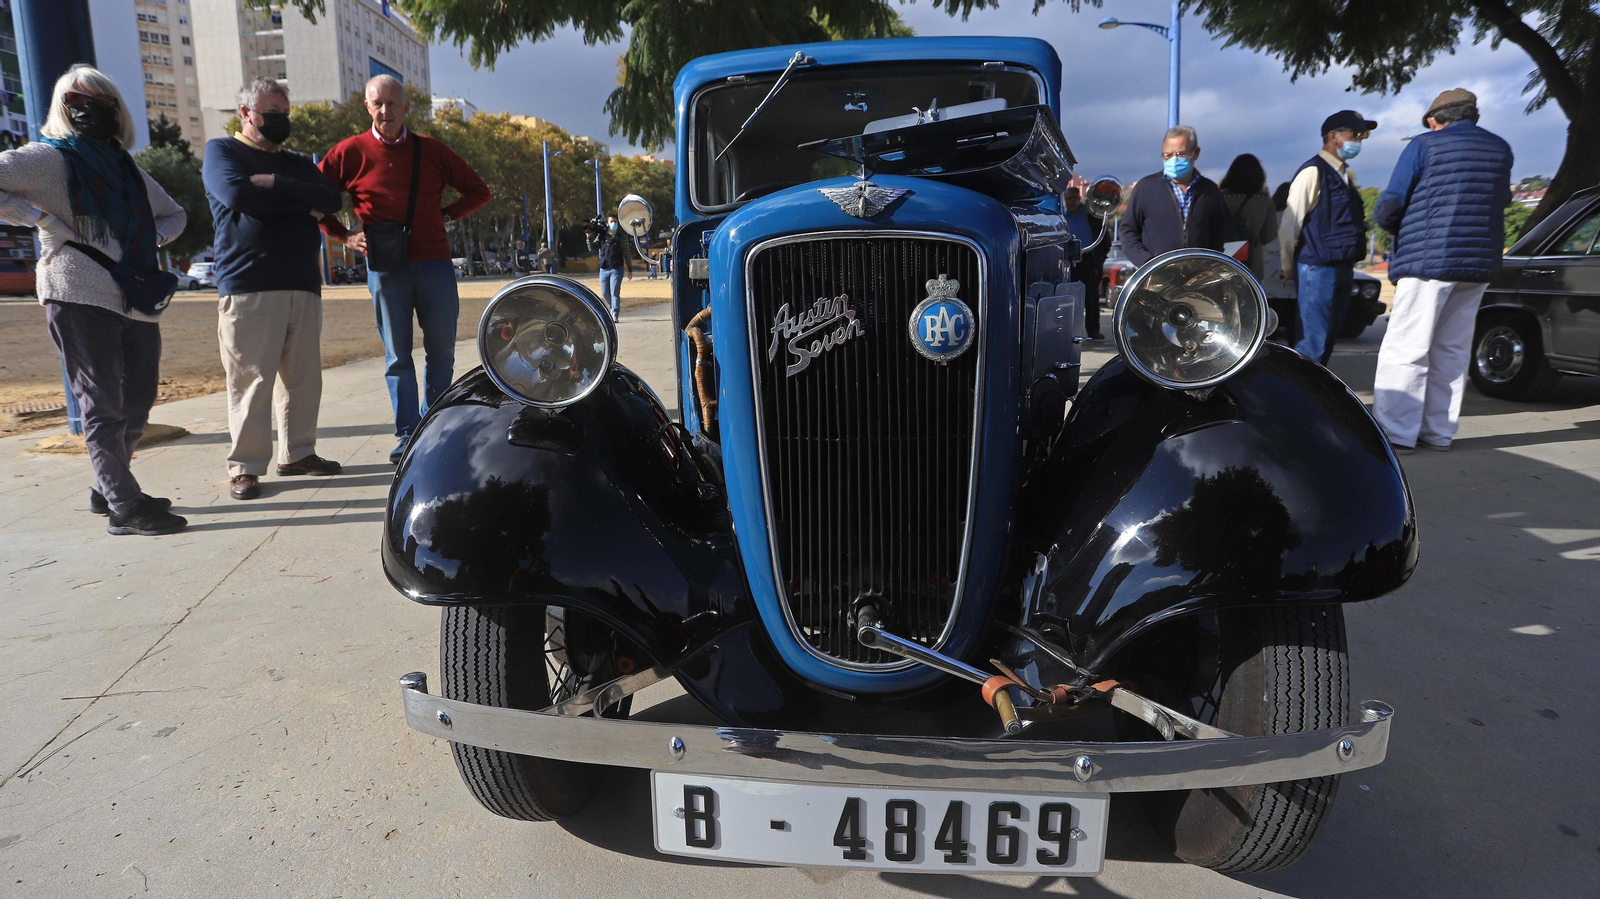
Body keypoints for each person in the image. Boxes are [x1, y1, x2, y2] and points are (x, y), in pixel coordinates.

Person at [0, 65, 187, 535]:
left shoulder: (128, 169)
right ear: (62, 110)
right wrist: (35, 216)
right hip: (78, 290)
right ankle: (124, 506)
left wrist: (149, 237)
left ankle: (110, 487)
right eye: (76, 103)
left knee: (139, 400)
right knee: (101, 401)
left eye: (100, 102)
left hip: (135, 295)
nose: (89, 111)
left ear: (116, 109)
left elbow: (175, 214)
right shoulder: (49, 159)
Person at [317, 74, 490, 463]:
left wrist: (444, 214)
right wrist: (343, 236)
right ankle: (407, 433)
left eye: (392, 103)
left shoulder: (431, 151)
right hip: (385, 269)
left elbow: (479, 190)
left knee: (441, 350)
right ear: (367, 107)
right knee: (397, 355)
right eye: (377, 103)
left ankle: (434, 426)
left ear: (406, 106)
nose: (385, 110)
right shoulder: (349, 152)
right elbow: (313, 198)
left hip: (434, 264)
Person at [203, 78, 344, 501]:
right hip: (249, 285)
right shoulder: (222, 152)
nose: (280, 120)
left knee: (303, 380)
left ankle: (298, 453)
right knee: (251, 381)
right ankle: (244, 468)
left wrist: (278, 184)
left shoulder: (297, 163)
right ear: (246, 113)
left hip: (303, 283)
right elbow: (238, 195)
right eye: (271, 113)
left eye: (284, 112)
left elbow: (332, 200)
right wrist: (303, 203)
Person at [1371, 89, 1513, 453]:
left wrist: (1391, 227)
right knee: (1452, 349)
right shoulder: (1500, 149)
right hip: (1478, 262)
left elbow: (1389, 206)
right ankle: (1438, 432)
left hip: (1428, 259)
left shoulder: (1423, 146)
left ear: (1435, 120)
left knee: (1407, 347)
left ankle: (1396, 433)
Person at [1279, 110, 1376, 365]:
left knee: (1328, 340)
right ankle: (1303, 400)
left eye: (1362, 135)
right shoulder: (1313, 171)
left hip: (1341, 267)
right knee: (1313, 344)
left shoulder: (1342, 174)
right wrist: (1287, 264)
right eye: (1355, 134)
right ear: (1333, 137)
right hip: (1316, 268)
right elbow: (1291, 222)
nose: (1359, 139)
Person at [1119, 125, 1227, 267]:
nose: (1174, 160)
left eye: (1181, 154)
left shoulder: (1210, 191)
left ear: (1196, 153)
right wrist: (1147, 263)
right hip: (1156, 278)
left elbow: (1219, 233)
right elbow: (1128, 231)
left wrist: (1209, 264)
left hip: (1198, 278)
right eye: (1167, 155)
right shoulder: (1145, 188)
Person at [1218, 153, 1277, 283]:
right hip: (1251, 263)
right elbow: (1270, 234)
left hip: (1220, 260)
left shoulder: (1217, 198)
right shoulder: (1265, 201)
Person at [1062, 185, 1108, 339]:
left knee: (1092, 299)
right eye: (1067, 199)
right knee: (1069, 298)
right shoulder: (1062, 217)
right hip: (1070, 262)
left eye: (1073, 199)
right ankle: (1069, 333)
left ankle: (1094, 331)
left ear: (1079, 199)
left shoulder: (1091, 216)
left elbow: (1104, 239)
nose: (1070, 202)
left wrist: (1100, 259)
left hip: (1089, 260)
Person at [595, 214, 633, 320]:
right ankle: (612, 307)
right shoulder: (602, 236)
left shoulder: (621, 238)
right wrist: (588, 236)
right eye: (611, 222)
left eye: (615, 222)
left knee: (614, 292)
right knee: (604, 293)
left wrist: (630, 269)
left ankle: (615, 314)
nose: (614, 224)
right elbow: (592, 247)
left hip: (616, 269)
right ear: (607, 224)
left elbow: (627, 253)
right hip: (603, 269)